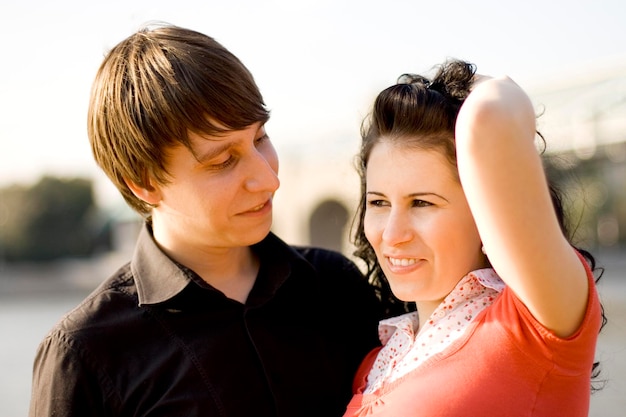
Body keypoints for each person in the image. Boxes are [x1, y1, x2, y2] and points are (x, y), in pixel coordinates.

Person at [28, 23, 383, 417]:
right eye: (223, 161)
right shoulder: (86, 354)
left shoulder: (335, 286)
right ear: (145, 183)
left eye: (261, 138)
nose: (269, 178)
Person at [343, 60, 605, 417]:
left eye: (421, 202)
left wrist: (456, 89)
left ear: (484, 211)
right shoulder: (377, 363)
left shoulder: (533, 324)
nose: (391, 234)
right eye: (378, 202)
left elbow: (491, 115)